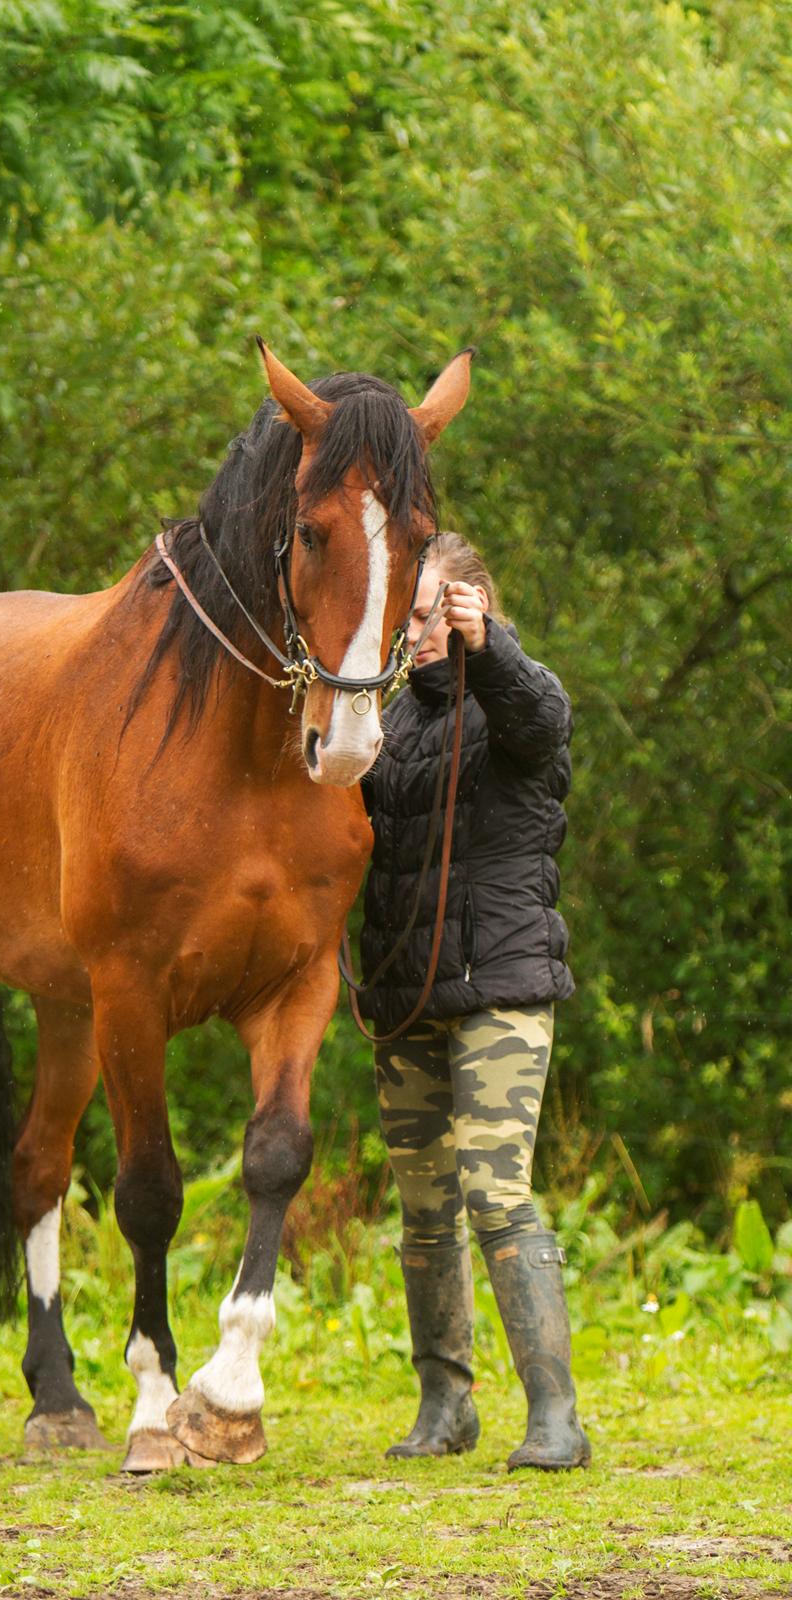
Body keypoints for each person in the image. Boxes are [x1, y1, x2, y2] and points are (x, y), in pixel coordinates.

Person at [360, 531, 591, 1471]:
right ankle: (445, 1408)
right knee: (424, 1210)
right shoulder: (387, 720)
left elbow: (540, 717)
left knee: (496, 1195)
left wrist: (487, 646)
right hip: (406, 996)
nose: (411, 632)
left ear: (469, 607)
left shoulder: (516, 695)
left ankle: (556, 1419)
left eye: (427, 614)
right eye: (406, 616)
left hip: (501, 985)